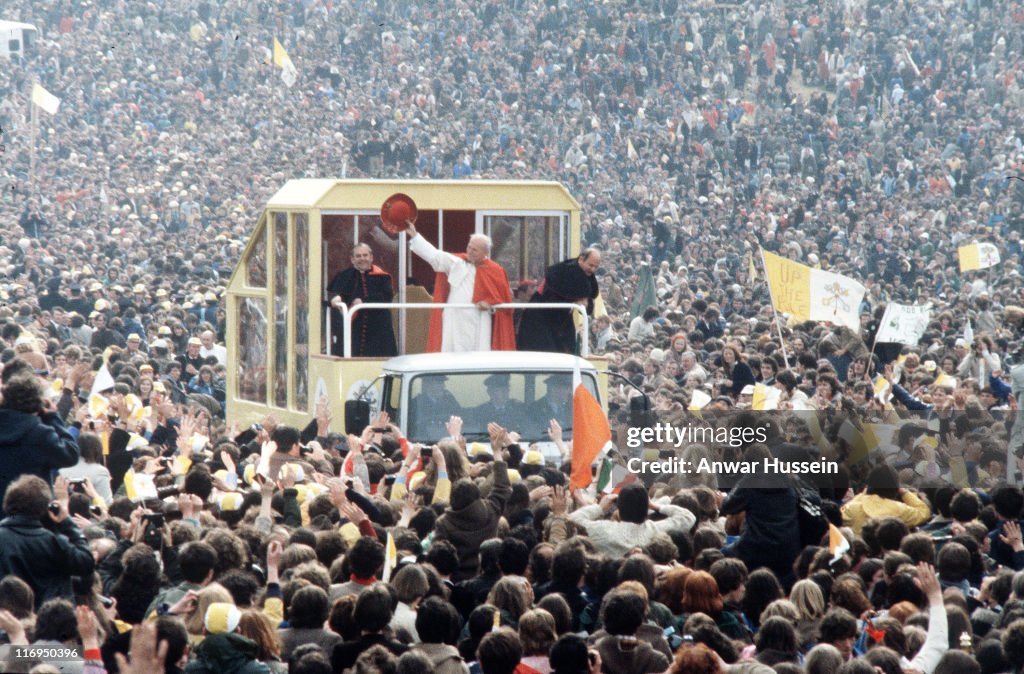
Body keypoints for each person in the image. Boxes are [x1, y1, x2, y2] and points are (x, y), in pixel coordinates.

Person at [407, 223, 515, 352]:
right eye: (469, 247)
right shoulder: (456, 262)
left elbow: (503, 303)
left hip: (479, 321)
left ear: (485, 252)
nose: (470, 251)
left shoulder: (495, 270)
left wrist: (491, 306)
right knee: (450, 353)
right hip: (454, 319)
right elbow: (434, 256)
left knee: (478, 357)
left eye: (475, 250)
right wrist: (414, 235)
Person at [0, 475, 95, 608]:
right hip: (51, 620)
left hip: (7, 618)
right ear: (45, 508)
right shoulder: (52, 542)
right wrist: (67, 522)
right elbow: (86, 562)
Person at [0, 372, 80, 516]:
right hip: (29, 513)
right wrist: (52, 417)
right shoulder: (40, 434)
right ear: (38, 403)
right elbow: (70, 454)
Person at [517, 249, 601, 354]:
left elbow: (588, 303)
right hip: (540, 318)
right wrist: (574, 301)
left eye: (596, 267)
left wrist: (583, 302)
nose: (593, 270)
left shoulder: (587, 275)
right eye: (590, 265)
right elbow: (553, 296)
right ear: (581, 260)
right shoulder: (562, 271)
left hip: (561, 322)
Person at [326, 243, 398, 357]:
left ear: (371, 257)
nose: (362, 259)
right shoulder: (344, 275)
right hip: (355, 328)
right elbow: (339, 294)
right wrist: (336, 297)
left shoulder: (383, 277)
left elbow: (386, 298)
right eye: (358, 256)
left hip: (378, 328)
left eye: (365, 255)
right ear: (352, 259)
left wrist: (364, 302)